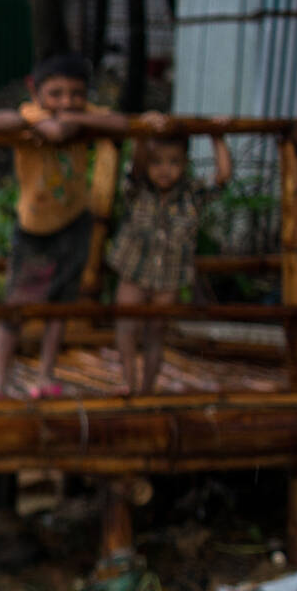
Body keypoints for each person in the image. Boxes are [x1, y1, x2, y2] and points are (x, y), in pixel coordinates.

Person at [0, 53, 165, 400]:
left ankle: (45, 376)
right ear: (35, 90)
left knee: (60, 307)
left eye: (76, 94)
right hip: (33, 229)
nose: (66, 102)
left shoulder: (80, 114)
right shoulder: (33, 113)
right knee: (16, 305)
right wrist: (75, 120)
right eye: (56, 93)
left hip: (75, 223)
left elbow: (122, 125)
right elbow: (56, 130)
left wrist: (91, 118)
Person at [109, 130, 231, 394]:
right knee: (126, 328)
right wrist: (142, 134)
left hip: (169, 278)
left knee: (156, 333)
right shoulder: (138, 189)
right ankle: (129, 383)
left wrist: (217, 138)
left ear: (185, 163)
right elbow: (135, 167)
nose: (165, 170)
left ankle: (147, 389)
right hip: (134, 271)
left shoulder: (192, 194)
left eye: (174, 162)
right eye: (157, 162)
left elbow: (222, 178)